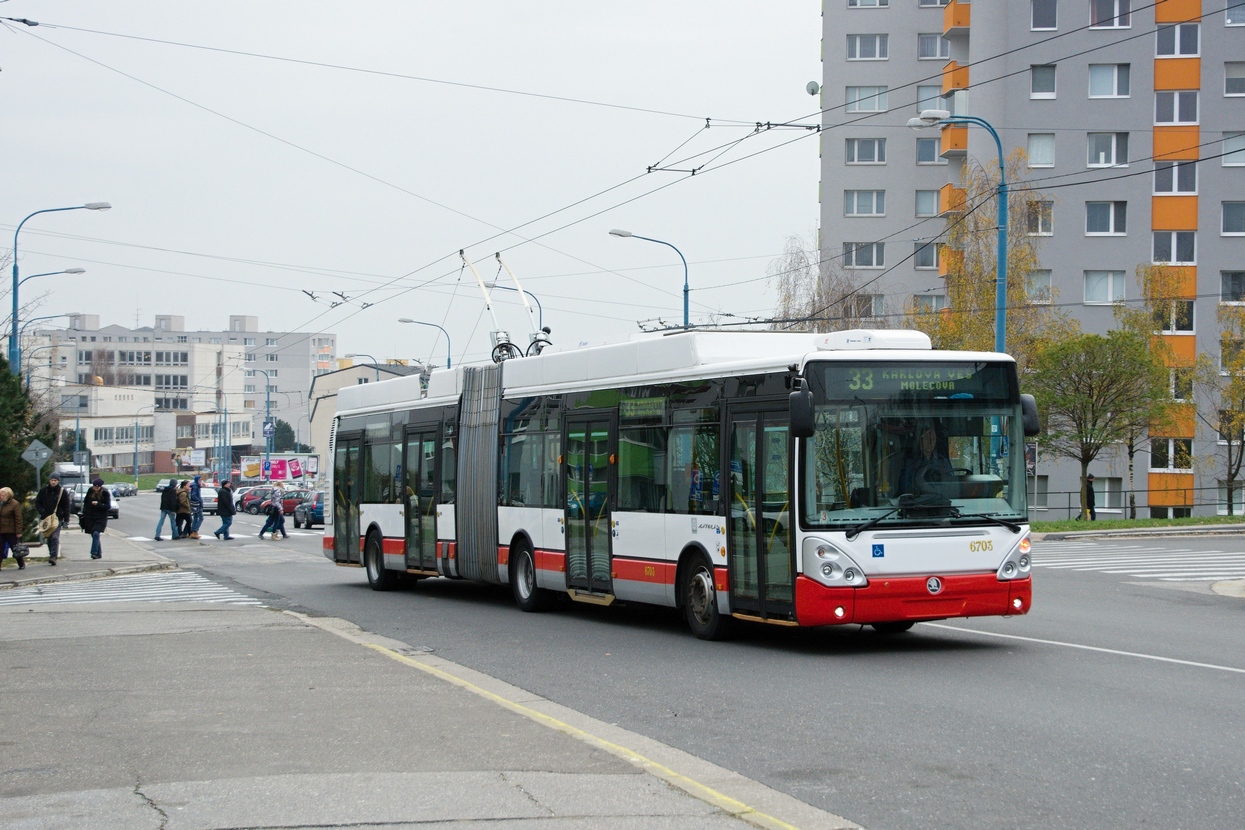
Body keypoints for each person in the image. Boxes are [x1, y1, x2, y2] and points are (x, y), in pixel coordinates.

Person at [899, 424, 956, 496]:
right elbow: (905, 488)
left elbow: (951, 484)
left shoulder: (942, 461)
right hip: (918, 502)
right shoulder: (911, 461)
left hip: (940, 501)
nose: (930, 443)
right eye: (926, 438)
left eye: (933, 439)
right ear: (920, 440)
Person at [36, 474, 72, 565]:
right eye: (52, 480)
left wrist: (66, 520)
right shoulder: (43, 491)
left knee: (55, 537)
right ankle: (51, 553)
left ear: (58, 481)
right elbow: (37, 503)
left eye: (55, 480)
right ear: (49, 481)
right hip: (46, 518)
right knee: (49, 537)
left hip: (57, 518)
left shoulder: (62, 492)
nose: (53, 482)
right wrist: (42, 511)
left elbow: (66, 506)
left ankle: (54, 556)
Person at [81, 478, 112, 560]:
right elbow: (86, 502)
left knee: (96, 533)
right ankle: (99, 553)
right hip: (90, 517)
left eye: (97, 487)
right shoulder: (90, 491)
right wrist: (84, 512)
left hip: (101, 518)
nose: (95, 489)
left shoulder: (105, 493)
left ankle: (93, 553)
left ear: (100, 487)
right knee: (94, 536)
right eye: (94, 487)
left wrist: (98, 504)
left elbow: (108, 506)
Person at [0, 486, 26, 570]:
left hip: (11, 530)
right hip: (1, 530)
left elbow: (18, 518)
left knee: (15, 548)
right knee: (0, 548)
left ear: (8, 496)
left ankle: (21, 563)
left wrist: (18, 531)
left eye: (3, 495)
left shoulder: (15, 504)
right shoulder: (1, 503)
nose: (1, 497)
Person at [188, 474, 204, 539]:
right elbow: (193, 496)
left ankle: (192, 532)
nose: (201, 481)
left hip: (195, 504)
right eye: (200, 480)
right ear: (197, 480)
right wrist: (199, 500)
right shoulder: (195, 486)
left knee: (195, 518)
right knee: (201, 518)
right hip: (197, 504)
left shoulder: (196, 486)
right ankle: (195, 531)